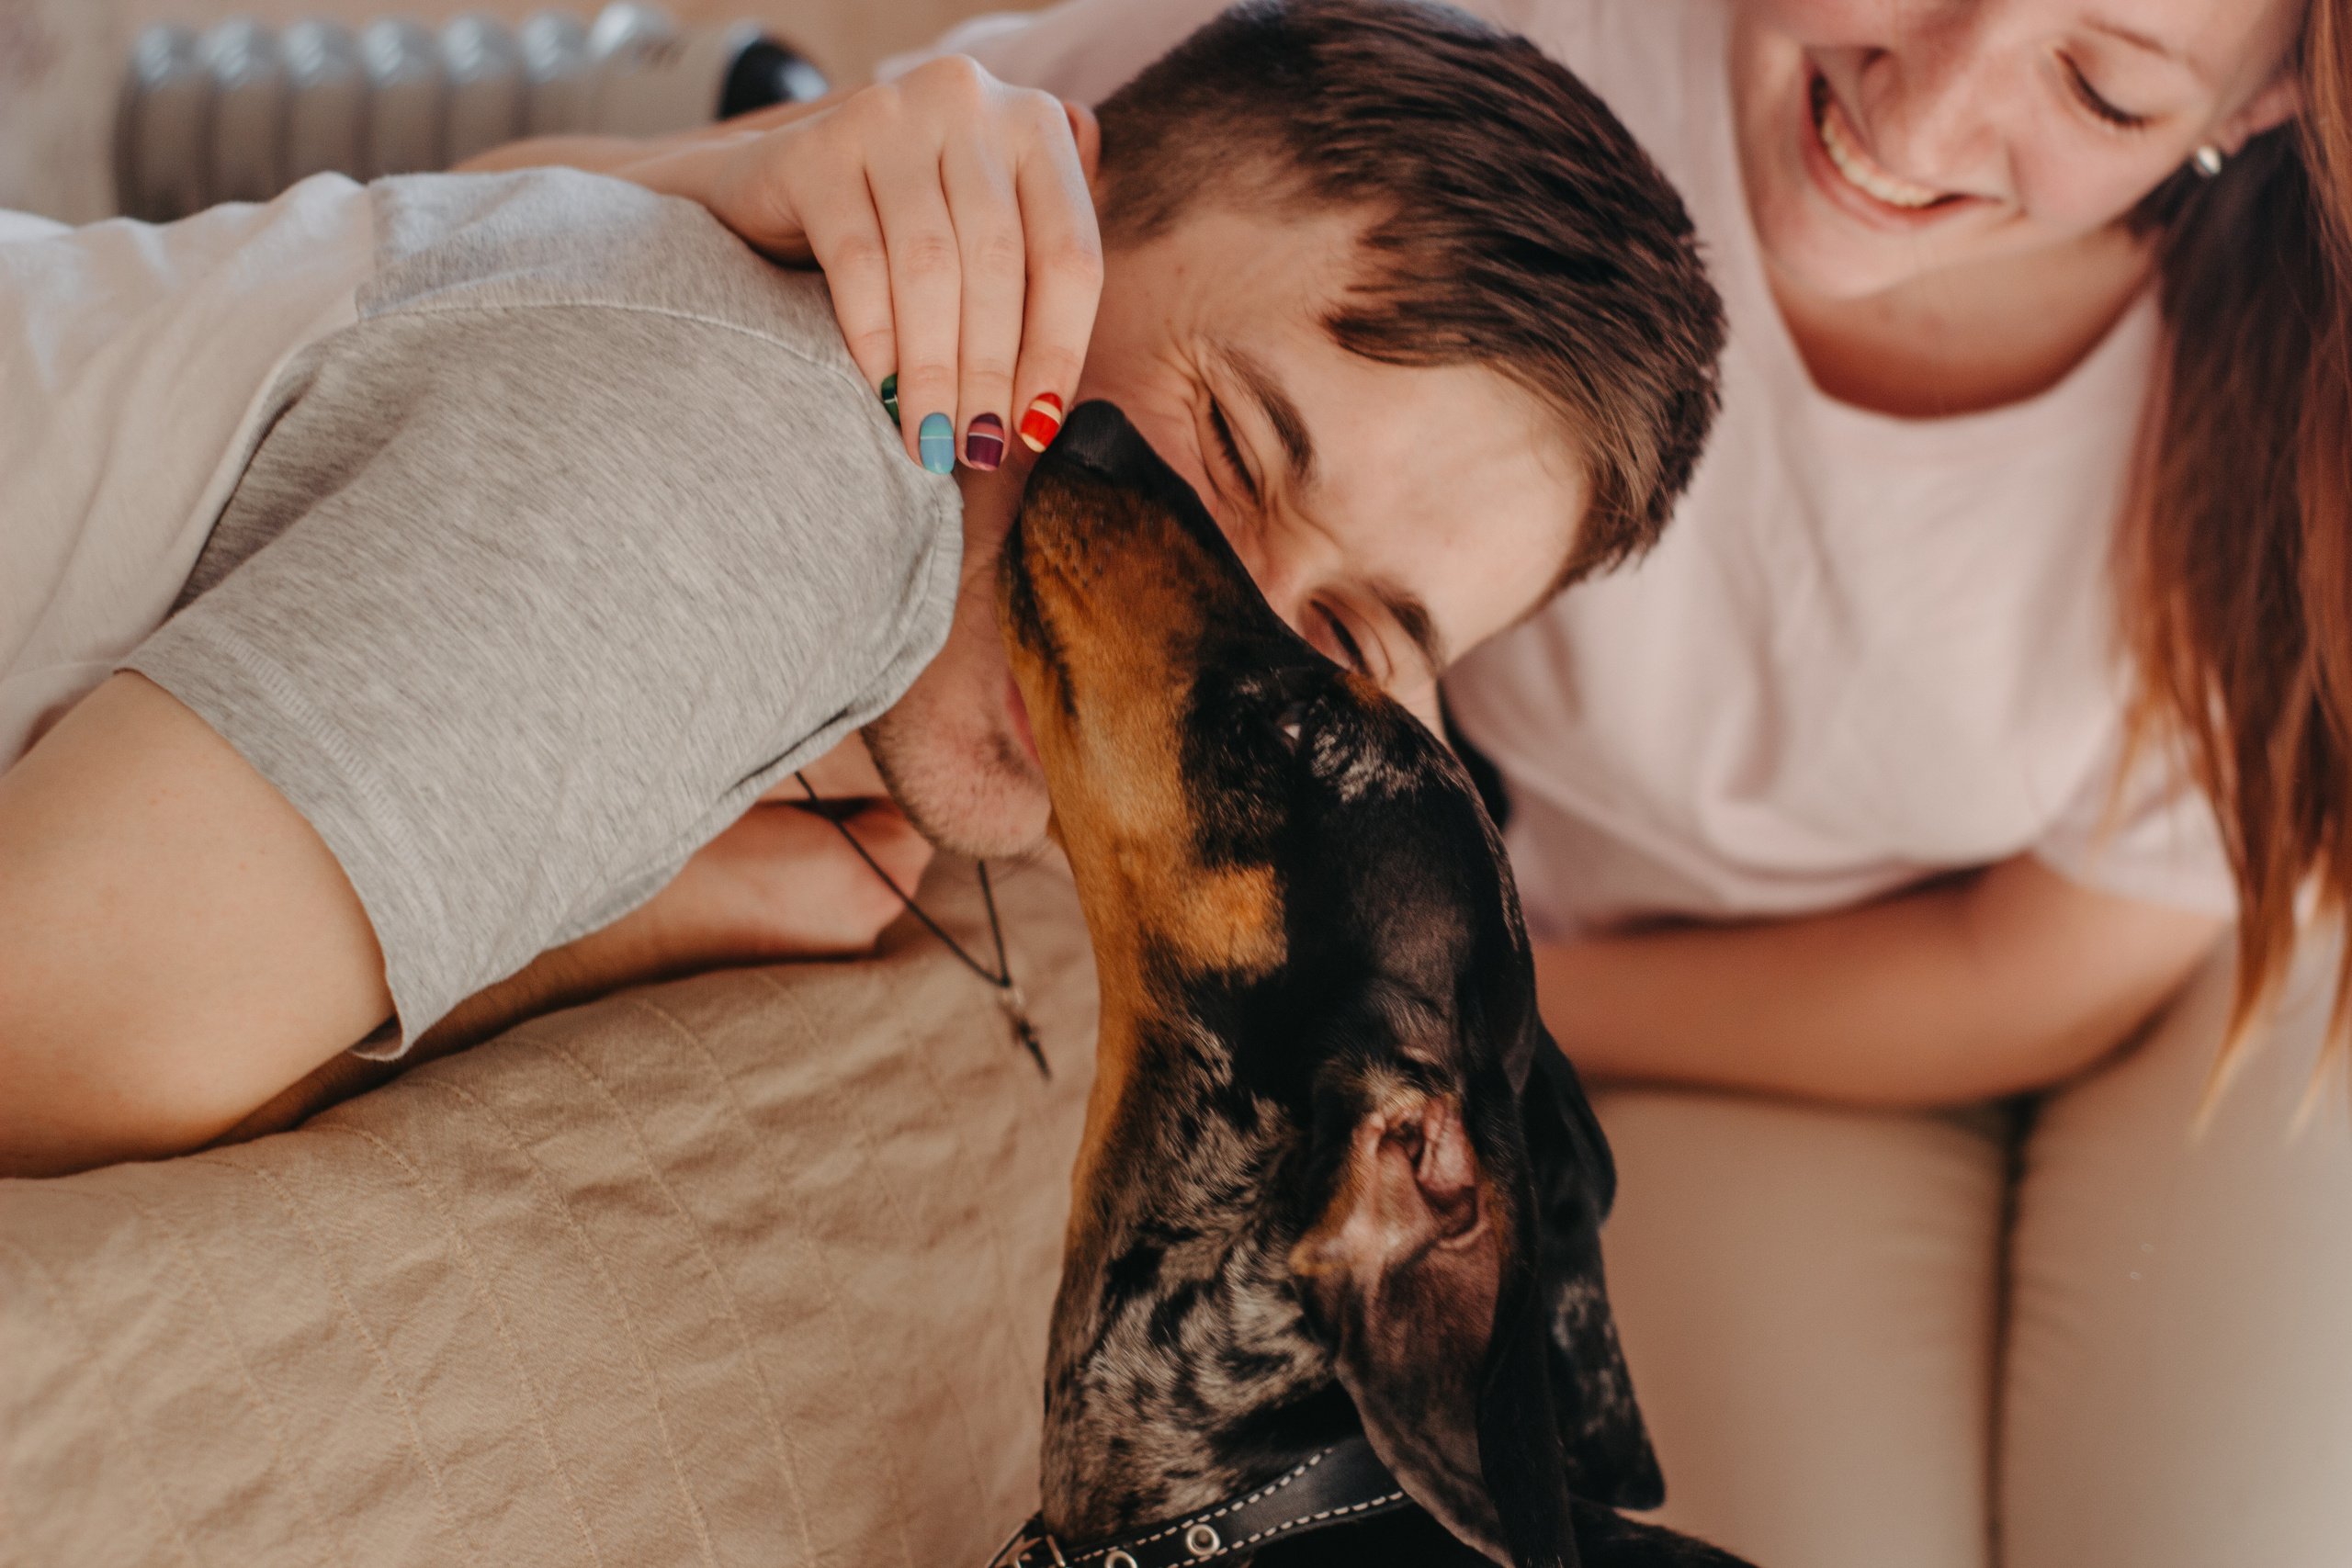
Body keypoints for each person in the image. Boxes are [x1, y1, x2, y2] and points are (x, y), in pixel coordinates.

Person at [819, 1, 2348, 1564]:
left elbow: (2036, 963)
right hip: (1661, 1036)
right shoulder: (1502, 54)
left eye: (2098, 87)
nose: (1926, 117)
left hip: (2060, 996)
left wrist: (1477, 1036)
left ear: (2283, 86)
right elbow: (930, 178)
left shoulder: (2291, 415)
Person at [0, 0, 1722, 1178]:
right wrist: (626, 932)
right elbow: (49, 1022)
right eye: (1243, 450)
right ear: (1059, 216)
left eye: (1348, 634)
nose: (1225, 655)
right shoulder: (791, 485)